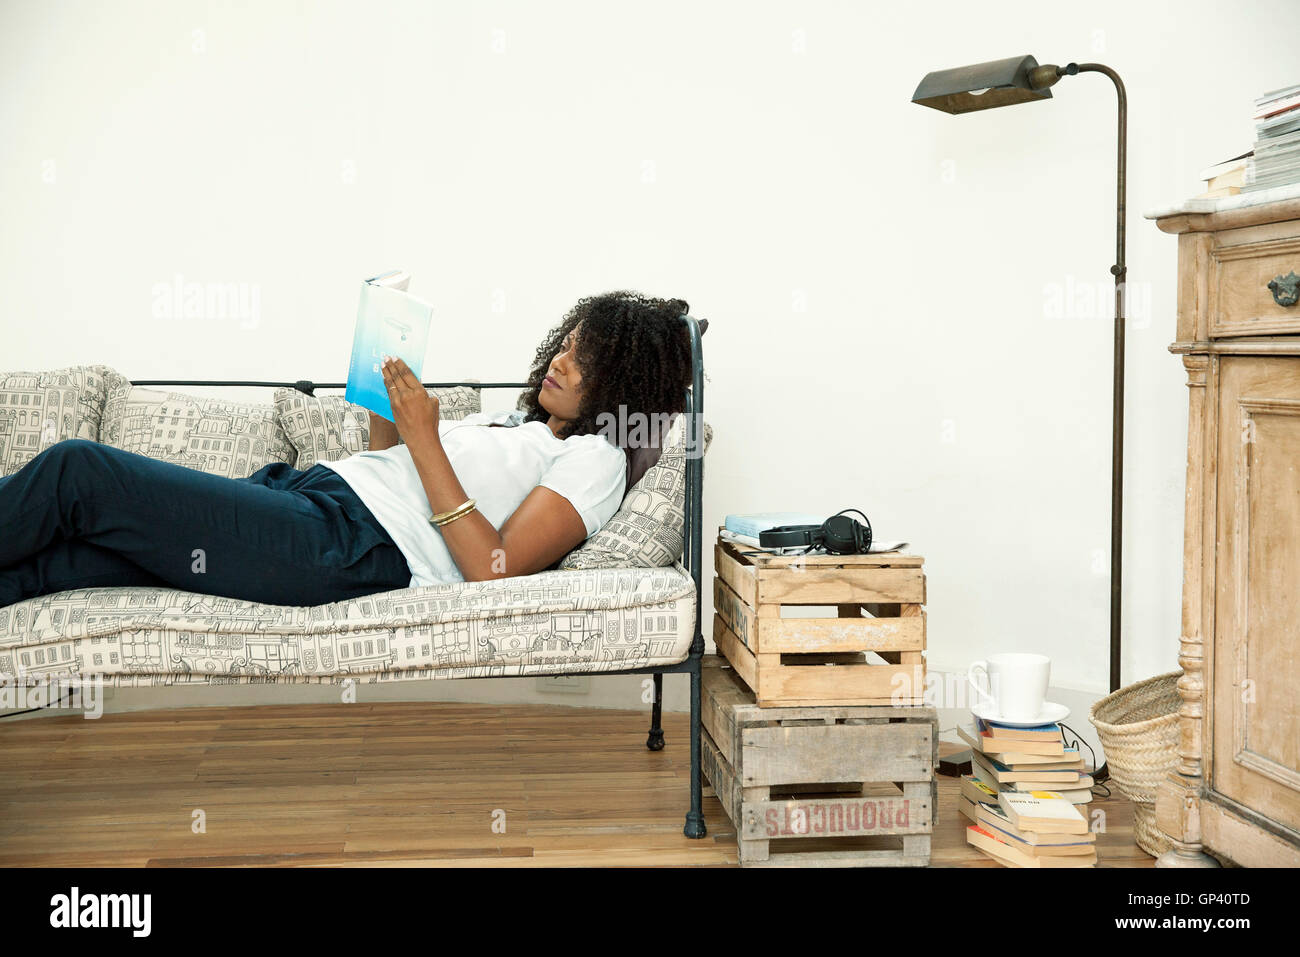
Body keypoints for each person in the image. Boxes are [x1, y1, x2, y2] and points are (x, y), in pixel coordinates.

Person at [0, 290, 696, 608]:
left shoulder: (597, 461)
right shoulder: (513, 424)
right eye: (567, 344)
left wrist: (426, 437)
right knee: (67, 559)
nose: (561, 363)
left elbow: (494, 568)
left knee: (79, 472)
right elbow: (393, 470)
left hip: (344, 545)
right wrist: (386, 409)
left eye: (587, 361)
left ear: (622, 385)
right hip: (312, 494)